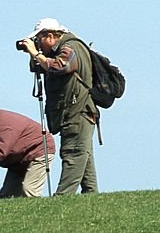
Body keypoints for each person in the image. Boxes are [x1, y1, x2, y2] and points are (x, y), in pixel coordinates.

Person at [18, 18, 99, 195]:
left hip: (77, 111)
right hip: (76, 112)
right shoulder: (61, 48)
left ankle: (63, 196)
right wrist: (35, 55)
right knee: (83, 155)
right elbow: (42, 68)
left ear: (49, 36)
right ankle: (91, 195)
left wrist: (36, 54)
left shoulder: (70, 47)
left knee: (73, 153)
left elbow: (61, 66)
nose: (38, 43)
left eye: (39, 39)